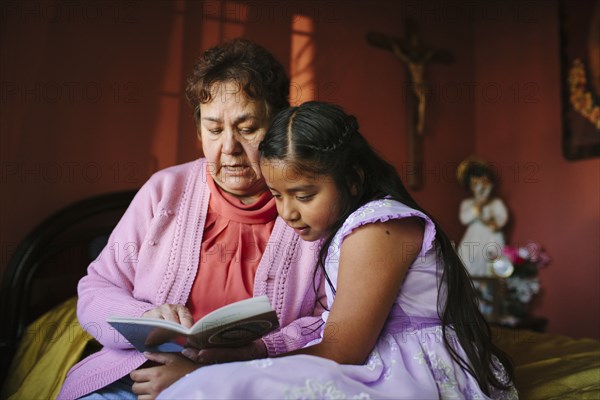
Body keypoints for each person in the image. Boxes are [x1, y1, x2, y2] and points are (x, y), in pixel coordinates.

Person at [158, 102, 518, 399]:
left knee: (214, 388)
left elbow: (343, 351)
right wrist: (249, 352)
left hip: (412, 374)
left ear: (353, 179)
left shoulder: (378, 227)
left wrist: (210, 370)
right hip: (375, 360)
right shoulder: (352, 228)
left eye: (304, 195)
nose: (288, 212)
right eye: (277, 195)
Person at [57, 39, 325, 400]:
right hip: (138, 376)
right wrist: (148, 314)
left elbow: (330, 321)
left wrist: (216, 369)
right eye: (214, 129)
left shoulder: (309, 204)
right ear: (199, 132)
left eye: (247, 129)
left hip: (253, 383)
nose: (228, 147)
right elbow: (96, 291)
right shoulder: (165, 190)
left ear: (276, 127)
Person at [457, 157, 509, 277]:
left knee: (491, 269)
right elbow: (464, 219)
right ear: (469, 186)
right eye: (475, 184)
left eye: (484, 183)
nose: (480, 187)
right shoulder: (468, 203)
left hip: (492, 238)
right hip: (473, 240)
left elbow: (500, 222)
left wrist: (492, 221)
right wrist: (480, 203)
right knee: (469, 265)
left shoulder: (496, 203)